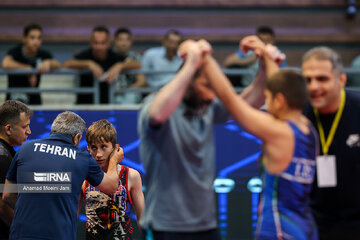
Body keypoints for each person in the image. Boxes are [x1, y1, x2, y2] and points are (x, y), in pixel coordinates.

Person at [137, 37, 267, 239]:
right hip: (166, 226)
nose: (212, 95)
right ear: (188, 79)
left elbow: (249, 103)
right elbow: (157, 115)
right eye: (206, 85)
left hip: (205, 225)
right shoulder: (156, 104)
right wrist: (192, 61)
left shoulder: (206, 108)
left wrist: (266, 66)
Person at [194, 37, 318, 239]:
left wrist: (205, 60)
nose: (265, 104)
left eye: (267, 98)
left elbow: (232, 103)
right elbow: (282, 87)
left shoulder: (279, 131)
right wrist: (266, 58)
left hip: (278, 230)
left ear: (279, 100)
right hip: (305, 227)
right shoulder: (307, 129)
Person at [2, 111, 124, 240]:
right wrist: (114, 160)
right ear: (76, 137)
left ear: (53, 129)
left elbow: (7, 195)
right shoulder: (82, 157)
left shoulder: (25, 148)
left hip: (21, 234)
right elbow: (111, 186)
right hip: (59, 235)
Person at [302, 47, 360, 240]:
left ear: (341, 80)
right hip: (313, 224)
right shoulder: (298, 115)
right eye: (307, 80)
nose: (313, 86)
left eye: (322, 79)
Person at [81, 119, 144, 239]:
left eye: (103, 147)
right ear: (88, 148)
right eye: (94, 148)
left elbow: (143, 222)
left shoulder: (131, 175)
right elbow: (71, 220)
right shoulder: (83, 177)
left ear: (115, 148)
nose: (98, 154)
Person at [63, 26, 141, 104]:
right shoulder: (85, 55)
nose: (99, 47)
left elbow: (136, 64)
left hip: (107, 105)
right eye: (96, 43)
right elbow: (67, 64)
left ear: (108, 43)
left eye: (103, 43)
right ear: (91, 43)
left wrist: (119, 65)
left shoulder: (113, 56)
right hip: (84, 105)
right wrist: (89, 63)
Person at [1, 23, 61, 105]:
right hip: (14, 100)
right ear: (24, 38)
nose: (36, 41)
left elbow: (57, 64)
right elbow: (5, 63)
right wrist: (29, 69)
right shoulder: (15, 51)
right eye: (32, 37)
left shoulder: (43, 54)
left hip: (34, 100)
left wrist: (49, 62)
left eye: (39, 38)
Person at [0, 100, 31, 239]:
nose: (29, 132)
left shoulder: (7, 153)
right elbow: (2, 205)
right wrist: (24, 231)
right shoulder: (3, 157)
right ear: (8, 129)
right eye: (25, 127)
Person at [113, 27, 147, 104]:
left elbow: (142, 81)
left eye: (127, 40)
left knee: (131, 96)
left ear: (131, 42)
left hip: (130, 92)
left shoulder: (136, 57)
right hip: (112, 92)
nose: (124, 43)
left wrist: (128, 90)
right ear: (115, 41)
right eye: (120, 40)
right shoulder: (109, 55)